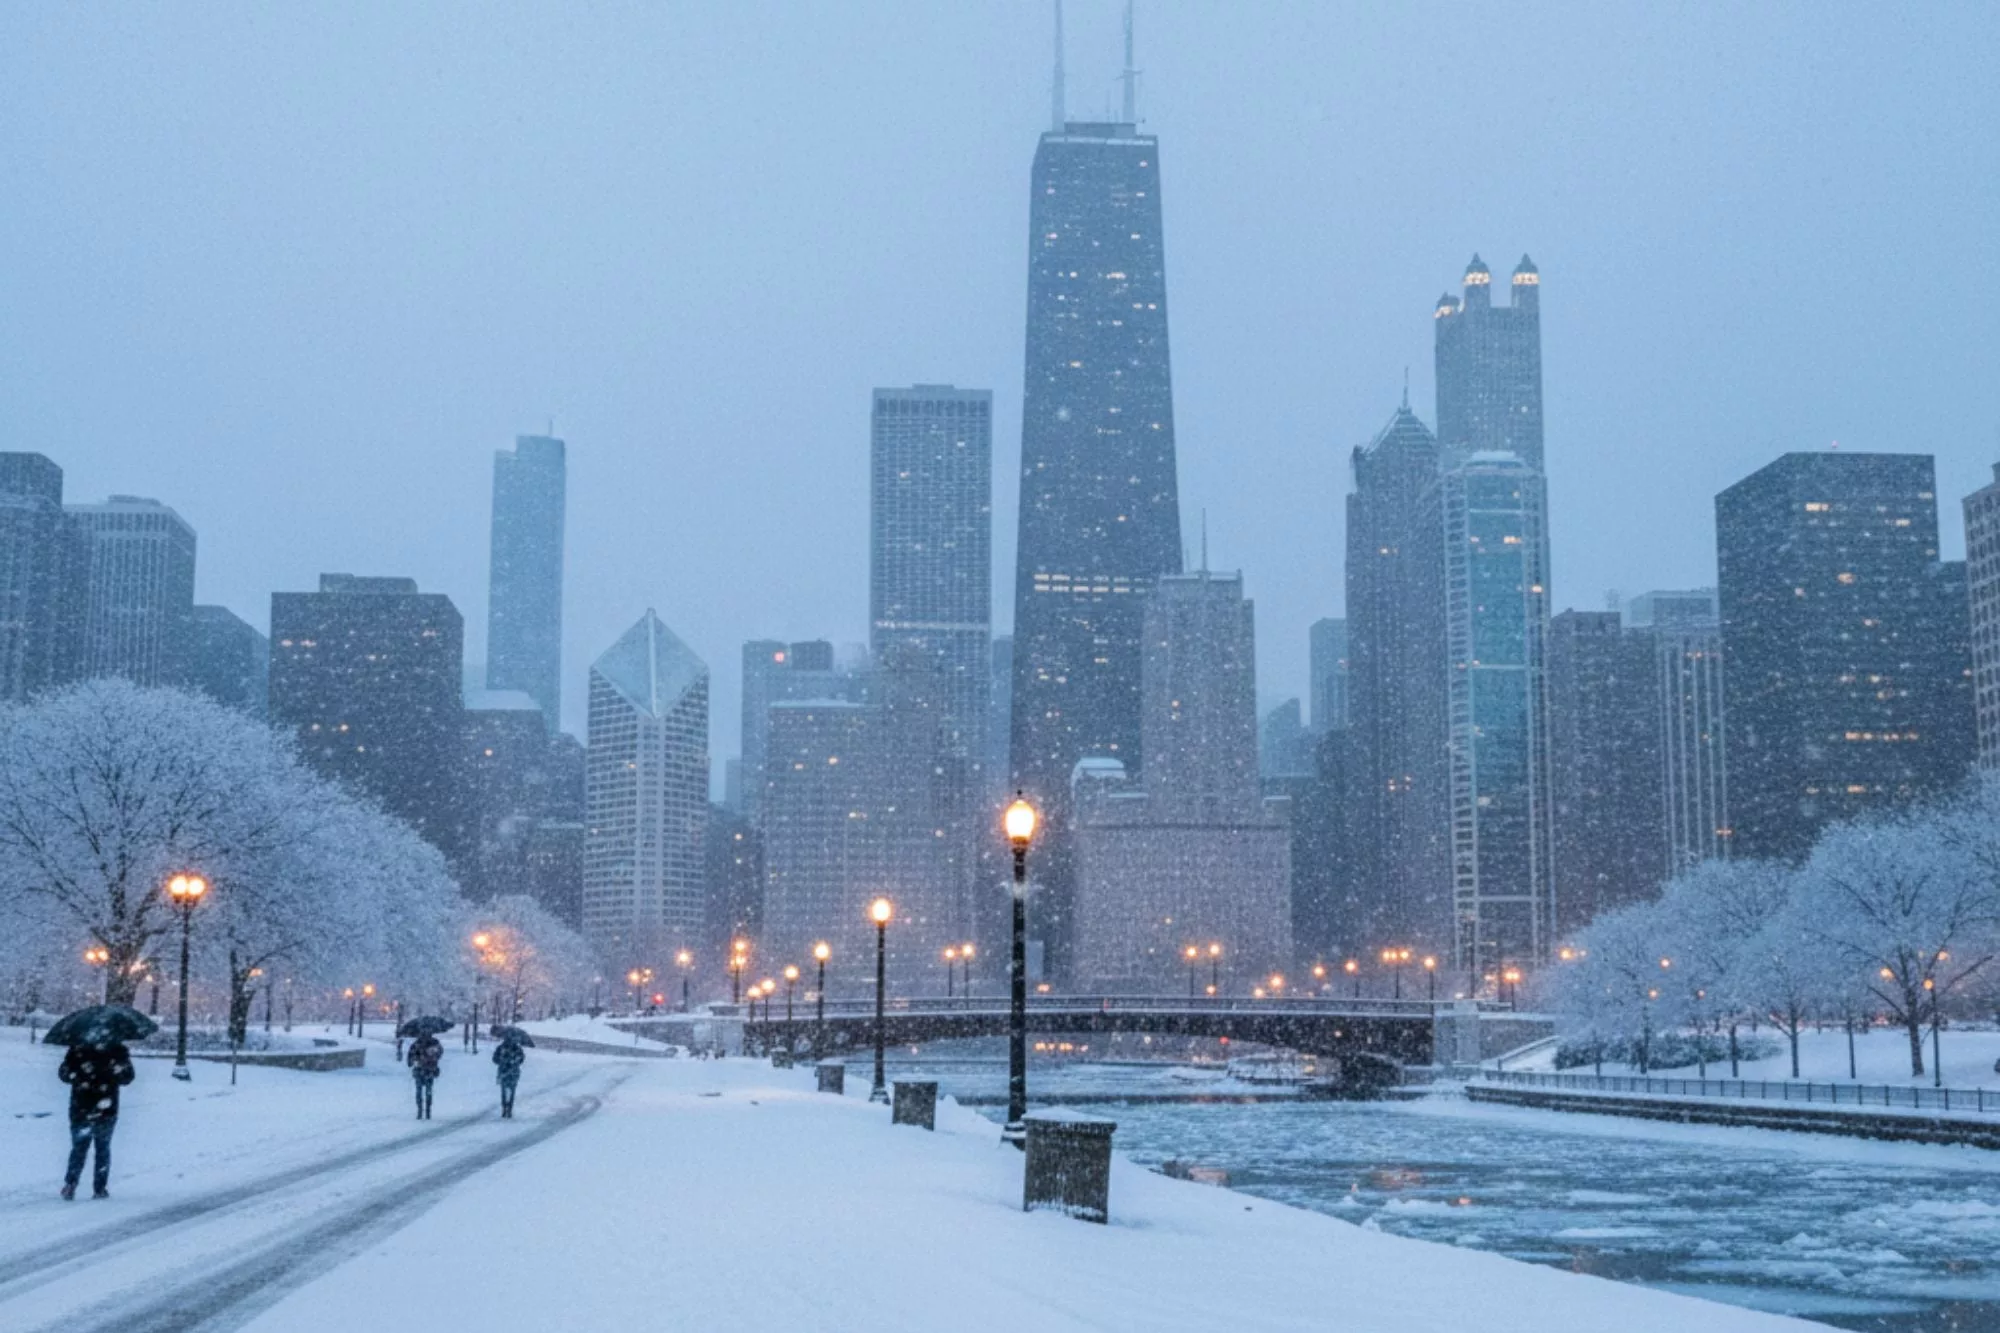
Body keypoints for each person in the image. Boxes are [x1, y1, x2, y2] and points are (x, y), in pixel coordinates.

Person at [58, 1040, 135, 1200]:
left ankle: (71, 1183)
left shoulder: (78, 1049)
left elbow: (64, 1074)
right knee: (102, 1149)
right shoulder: (118, 1050)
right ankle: (99, 1188)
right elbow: (128, 1077)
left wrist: (79, 1074)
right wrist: (115, 1071)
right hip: (106, 1106)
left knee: (79, 1148)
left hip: (82, 1106)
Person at [407, 1030, 443, 1119]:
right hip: (429, 1070)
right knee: (428, 1091)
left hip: (421, 1070)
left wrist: (416, 1059)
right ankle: (427, 1110)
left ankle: (421, 1110)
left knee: (420, 1091)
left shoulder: (416, 1043)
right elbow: (440, 1053)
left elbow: (410, 1058)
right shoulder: (434, 1042)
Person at [492, 1035, 525, 1118]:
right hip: (513, 1073)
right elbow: (522, 1059)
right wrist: (515, 1061)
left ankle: (504, 1108)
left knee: (503, 1091)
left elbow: (494, 1059)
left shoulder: (501, 1048)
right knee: (512, 1091)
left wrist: (502, 1061)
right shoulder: (517, 1048)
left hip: (503, 1072)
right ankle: (509, 1109)